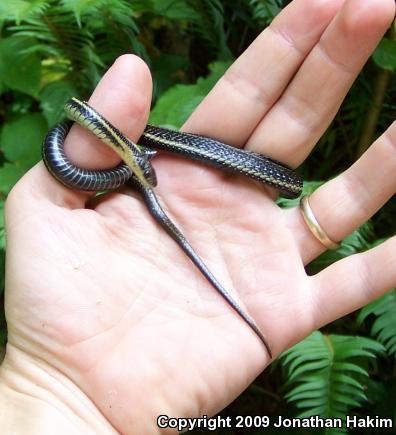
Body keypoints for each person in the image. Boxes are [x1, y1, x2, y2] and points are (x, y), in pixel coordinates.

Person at [1, 0, 395, 433]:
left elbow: (286, 183)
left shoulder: (134, 157)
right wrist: (58, 388)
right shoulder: (125, 157)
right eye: (144, 172)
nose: (148, 178)